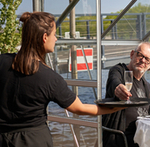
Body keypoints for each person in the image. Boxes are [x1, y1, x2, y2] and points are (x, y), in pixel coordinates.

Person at [0, 12, 124, 147]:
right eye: (54, 34)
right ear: (44, 37)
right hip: (33, 140)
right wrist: (116, 107)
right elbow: (80, 108)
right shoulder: (49, 78)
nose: (56, 39)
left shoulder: (2, 62)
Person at [102, 42, 150, 147]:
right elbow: (114, 81)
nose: (143, 60)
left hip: (141, 138)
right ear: (132, 54)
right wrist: (118, 88)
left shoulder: (146, 86)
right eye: (140, 55)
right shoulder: (119, 70)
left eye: (147, 59)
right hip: (120, 139)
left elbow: (145, 112)